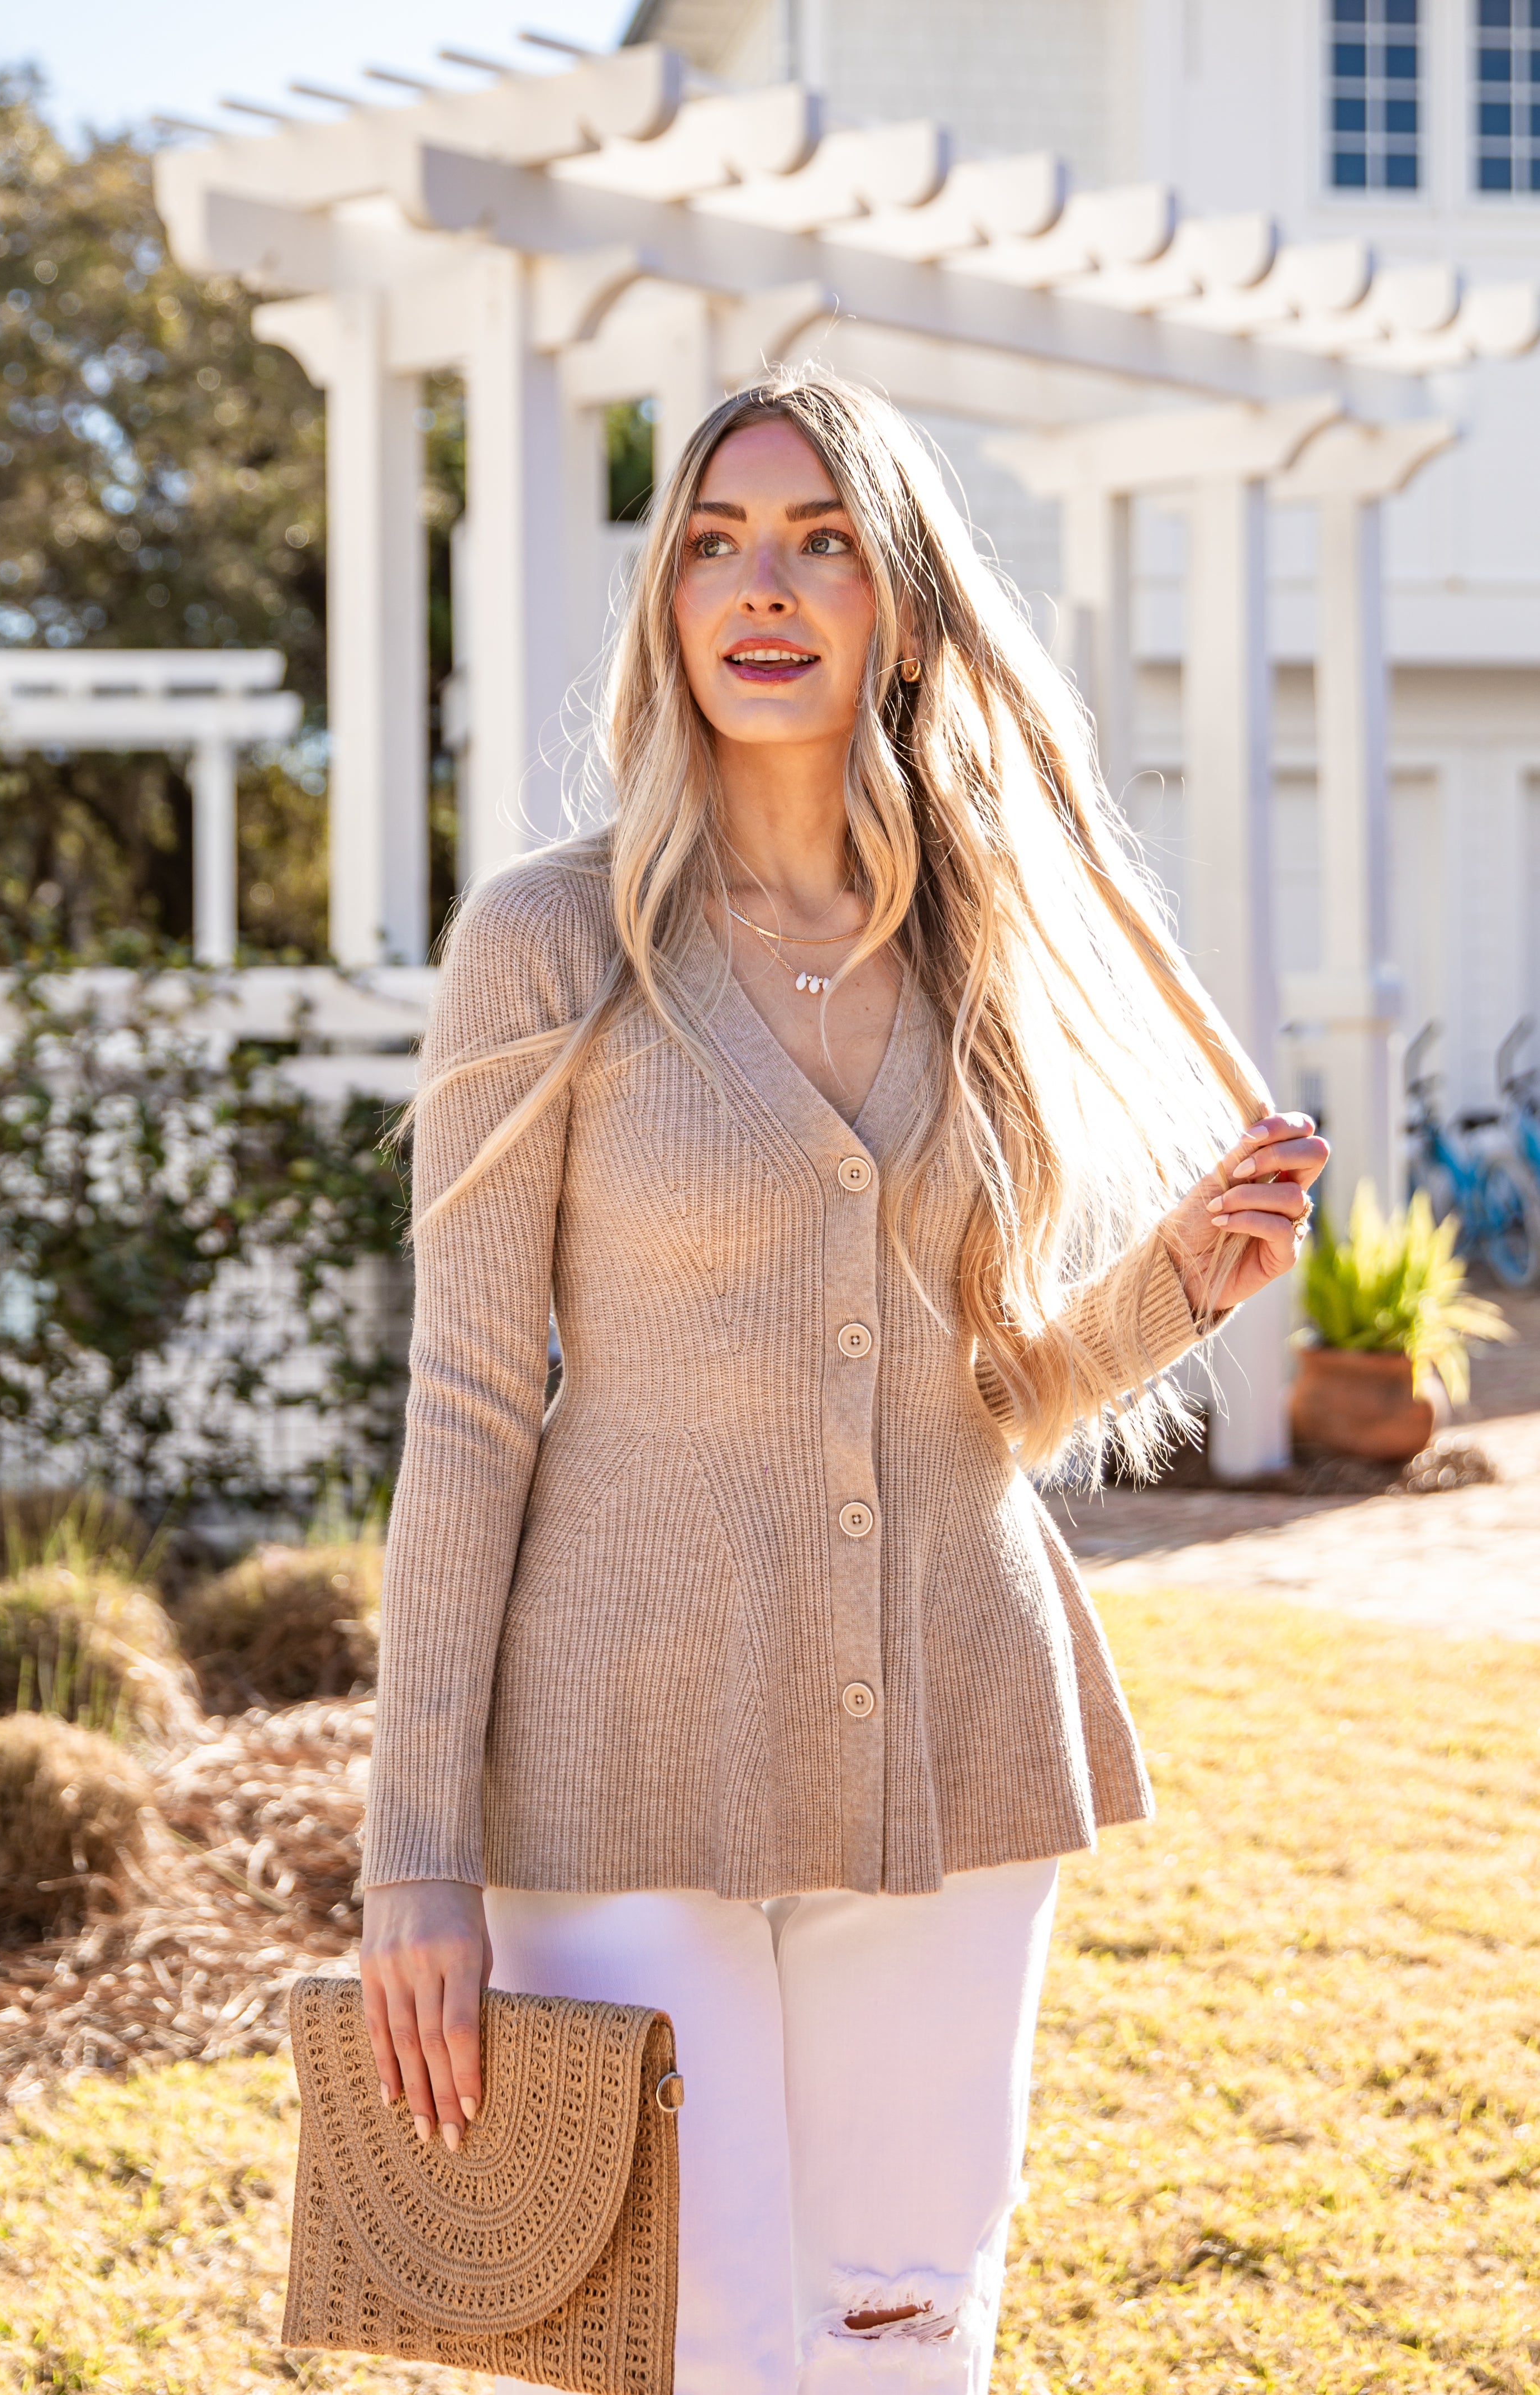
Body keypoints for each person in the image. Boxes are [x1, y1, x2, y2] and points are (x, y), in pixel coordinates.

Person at [358, 370, 1327, 2395]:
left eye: (818, 542)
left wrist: (1175, 1289)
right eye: (712, 542)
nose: (761, 587)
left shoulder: (969, 947)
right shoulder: (547, 942)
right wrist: (415, 1857)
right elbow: (462, 1406)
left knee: (901, 2324)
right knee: (680, 2347)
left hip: (951, 1741)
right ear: (665, 602)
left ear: (903, 601)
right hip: (621, 1754)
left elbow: (982, 1396)